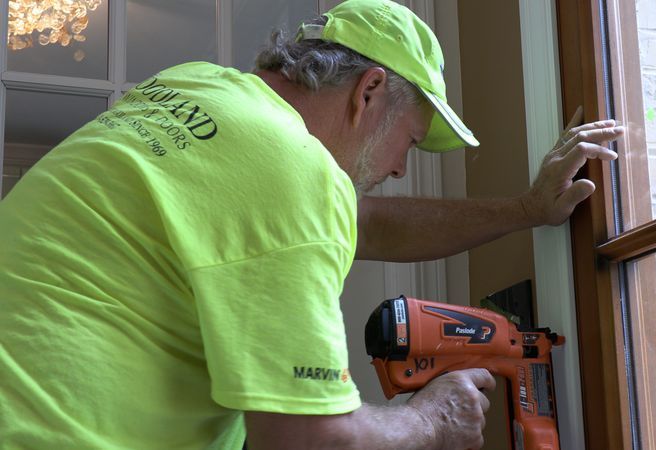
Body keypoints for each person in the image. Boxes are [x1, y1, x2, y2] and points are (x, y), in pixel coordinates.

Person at [0, 0, 622, 449]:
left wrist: (527, 210)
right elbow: (309, 439)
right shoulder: (296, 177)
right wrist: (433, 420)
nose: (401, 170)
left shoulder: (200, 87)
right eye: (409, 140)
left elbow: (365, 223)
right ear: (370, 90)